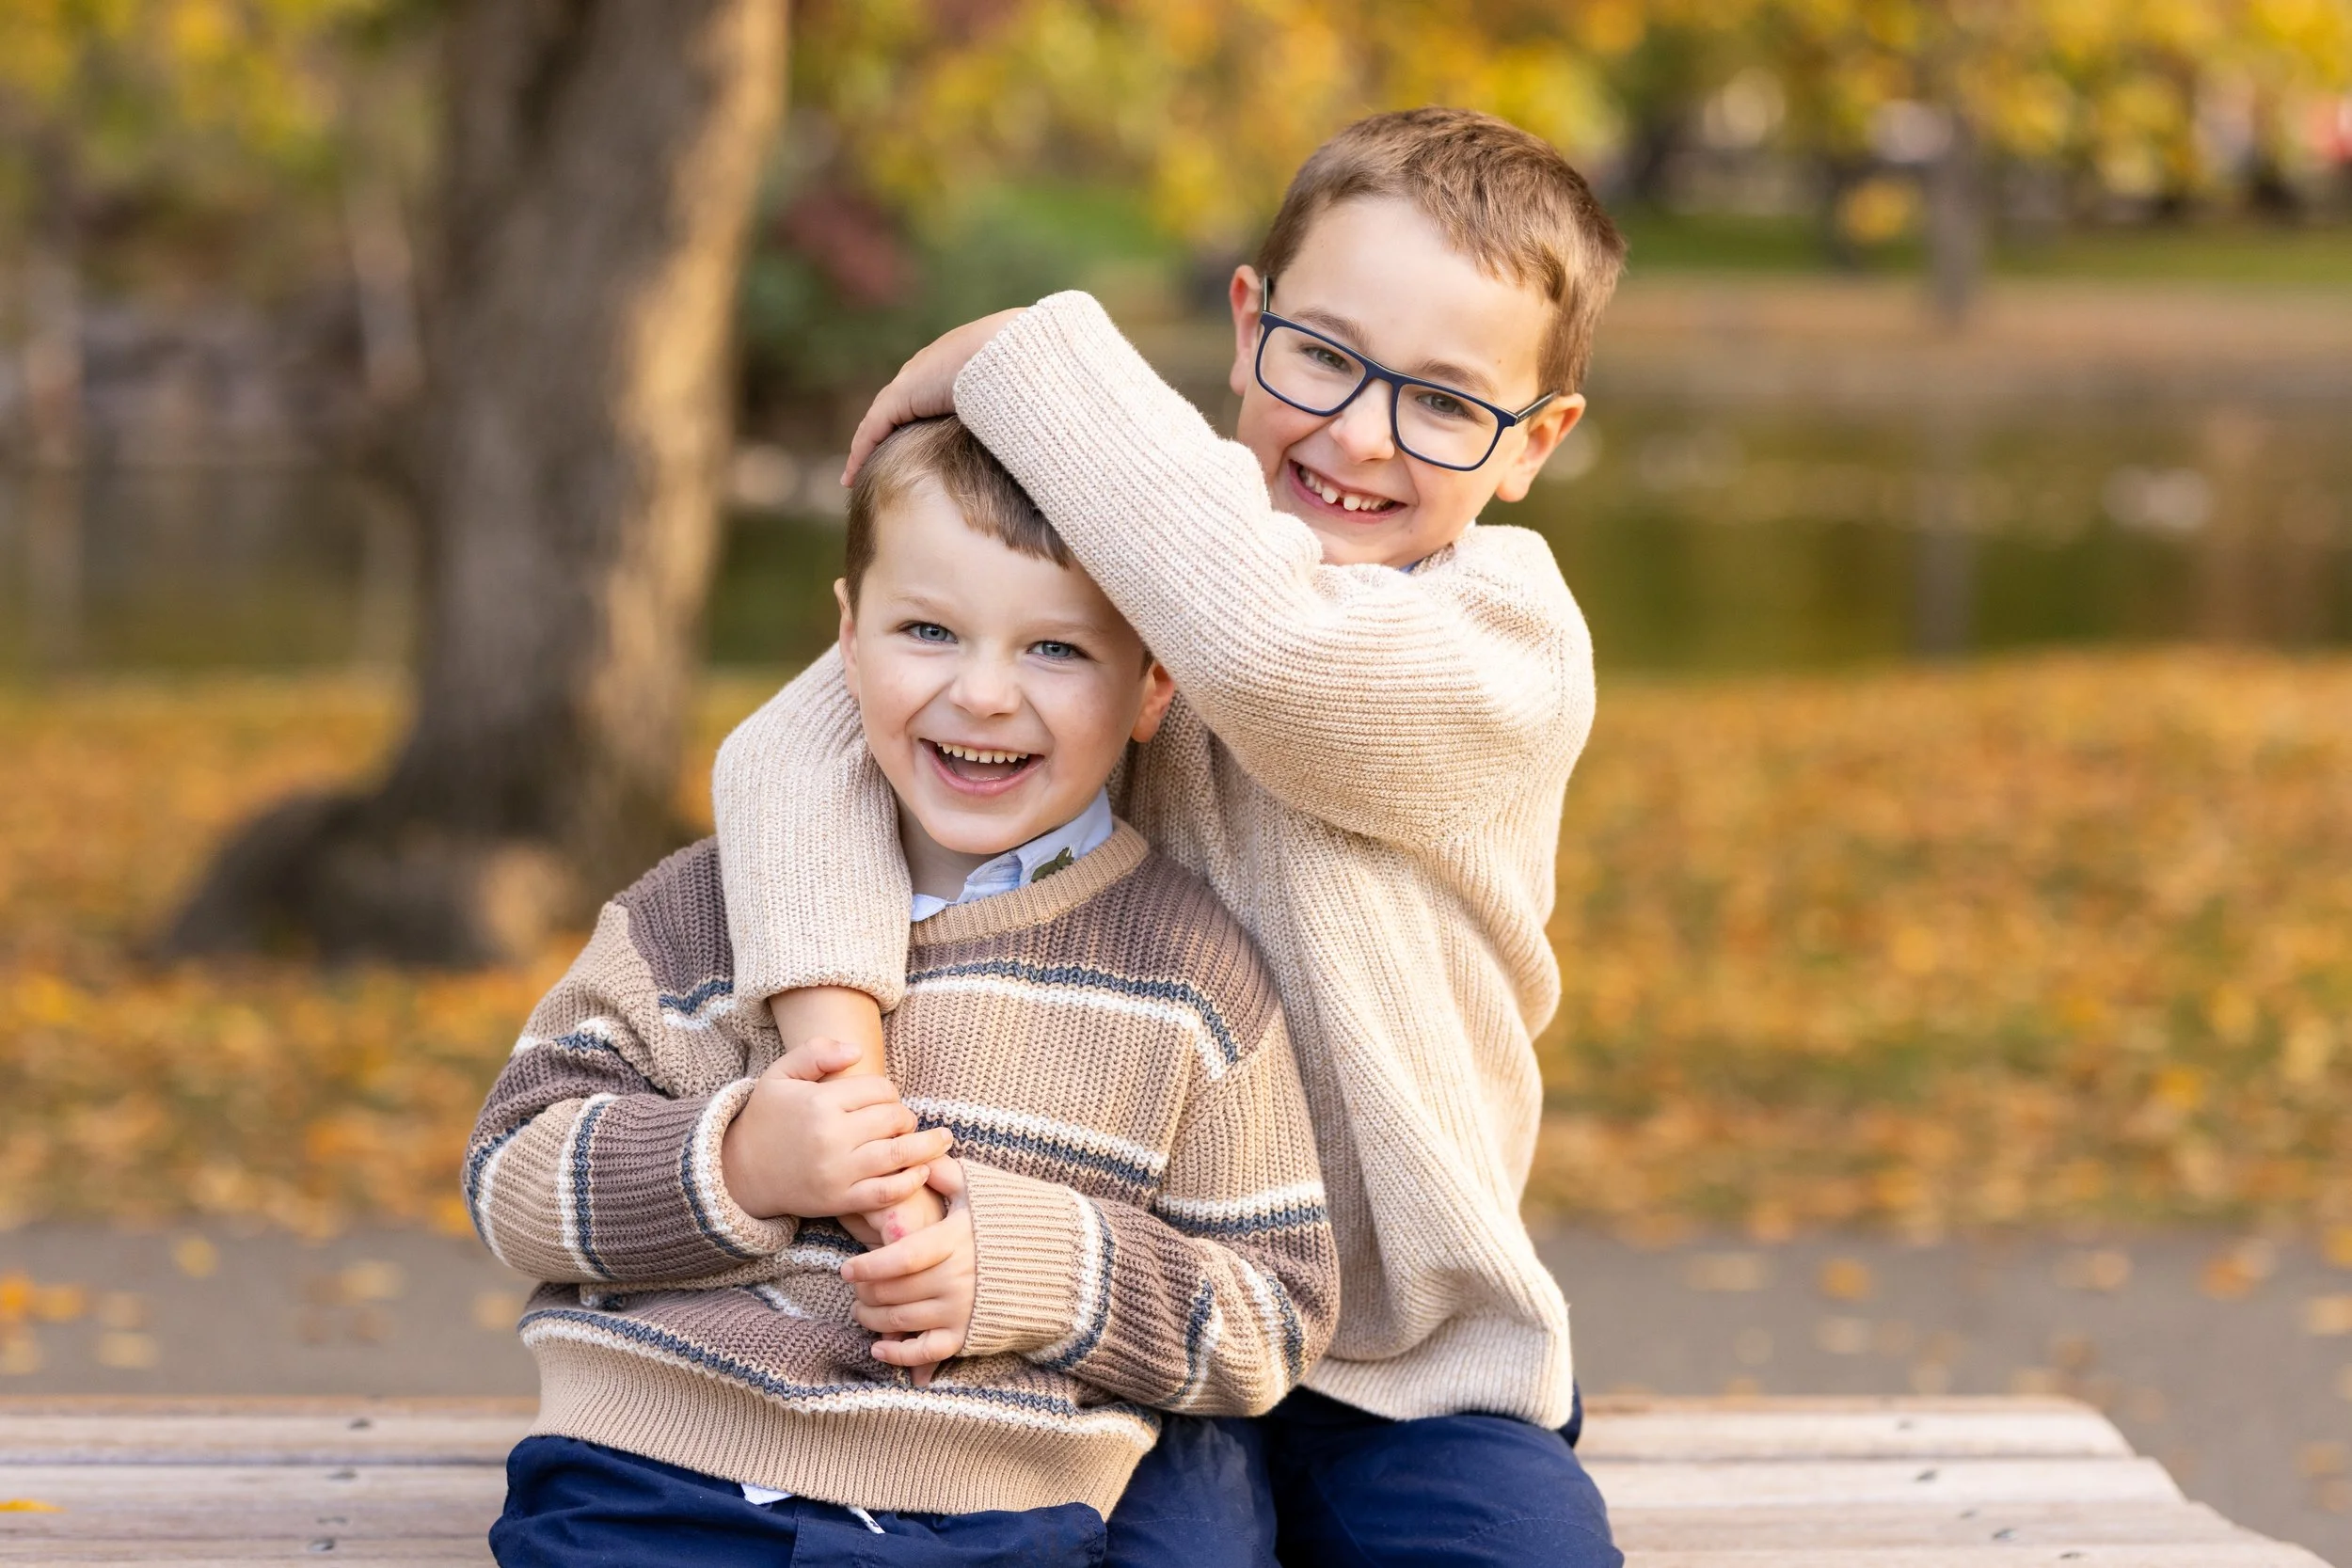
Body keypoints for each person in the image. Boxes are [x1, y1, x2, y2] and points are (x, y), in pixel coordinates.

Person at [711, 106, 1629, 1567]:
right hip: (1118, 1287)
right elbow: (792, 751)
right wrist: (839, 1051)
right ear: (1247, 319)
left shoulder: (1508, 641)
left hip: (1408, 1360)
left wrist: (1015, 351)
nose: (1356, 435)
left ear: (1535, 443)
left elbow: (1279, 657)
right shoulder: (1123, 553)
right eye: (1322, 353)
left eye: (1447, 402)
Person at [470, 414, 1338, 1566]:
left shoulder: (1190, 976)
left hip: (984, 1512)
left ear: (1153, 683)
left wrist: (1035, 1268)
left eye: (1056, 649)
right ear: (847, 633)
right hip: (651, 1470)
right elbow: (508, 1171)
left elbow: (1270, 1314)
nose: (982, 693)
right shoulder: (695, 912)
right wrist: (730, 1162)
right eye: (928, 629)